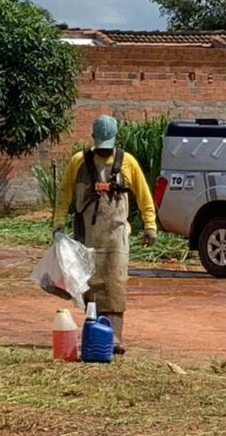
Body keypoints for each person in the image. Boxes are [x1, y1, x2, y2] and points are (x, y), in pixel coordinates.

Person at [53, 115, 156, 354]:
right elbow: (64, 193)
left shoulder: (127, 162)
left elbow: (143, 195)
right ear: (92, 139)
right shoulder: (78, 162)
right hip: (87, 237)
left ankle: (116, 337)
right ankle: (94, 334)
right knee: (90, 284)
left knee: (115, 284)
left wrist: (150, 225)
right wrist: (58, 223)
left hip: (116, 237)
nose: (103, 150)